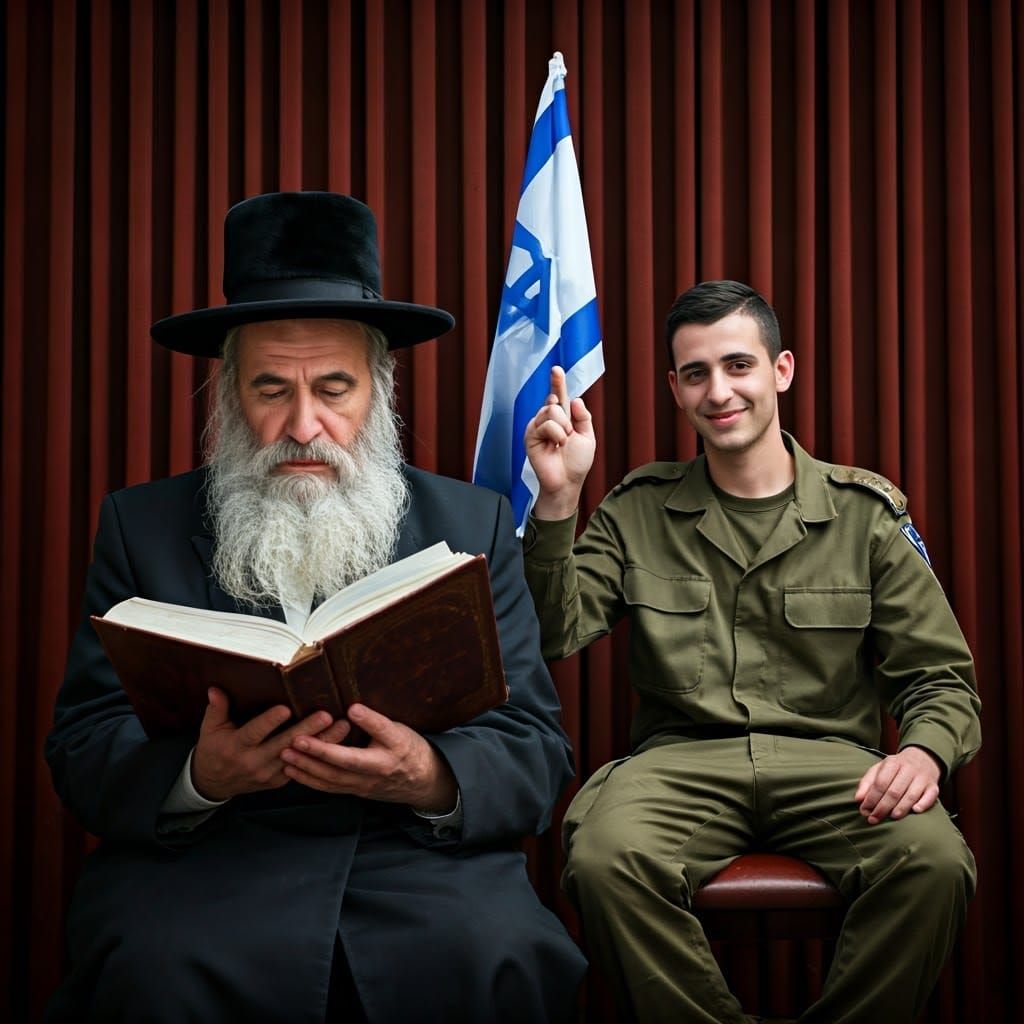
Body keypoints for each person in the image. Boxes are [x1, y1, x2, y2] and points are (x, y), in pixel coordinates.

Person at [46, 191, 586, 1023]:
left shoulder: (470, 524)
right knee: (149, 972)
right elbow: (83, 743)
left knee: (498, 953)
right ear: (230, 396)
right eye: (271, 389)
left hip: (414, 863)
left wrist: (432, 775)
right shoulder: (140, 526)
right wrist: (197, 777)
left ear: (379, 389)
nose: (305, 424)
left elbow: (535, 748)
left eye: (334, 386)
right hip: (211, 865)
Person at [521, 280, 981, 1024]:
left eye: (738, 365)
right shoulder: (637, 509)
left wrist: (924, 755)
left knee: (933, 864)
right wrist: (558, 502)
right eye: (696, 373)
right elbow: (551, 635)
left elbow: (939, 678)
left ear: (781, 371)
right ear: (675, 388)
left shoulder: (864, 516)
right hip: (681, 765)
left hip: (834, 768)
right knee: (604, 859)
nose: (719, 391)